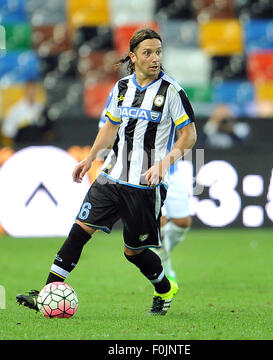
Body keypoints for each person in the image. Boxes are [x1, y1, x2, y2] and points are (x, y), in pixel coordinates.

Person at [16, 28, 197, 316]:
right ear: (133, 56)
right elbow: (110, 127)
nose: (154, 58)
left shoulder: (172, 92)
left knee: (133, 253)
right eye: (148, 52)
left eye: (158, 52)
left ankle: (164, 289)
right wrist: (89, 159)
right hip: (111, 177)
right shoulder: (122, 88)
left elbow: (189, 135)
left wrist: (164, 163)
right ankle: (47, 293)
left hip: (144, 186)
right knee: (78, 232)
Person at [99, 94, 192, 284]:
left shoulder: (169, 90)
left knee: (182, 222)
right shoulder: (120, 91)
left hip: (168, 168)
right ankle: (165, 268)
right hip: (138, 172)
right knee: (161, 223)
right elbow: (106, 127)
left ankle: (158, 254)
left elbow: (184, 129)